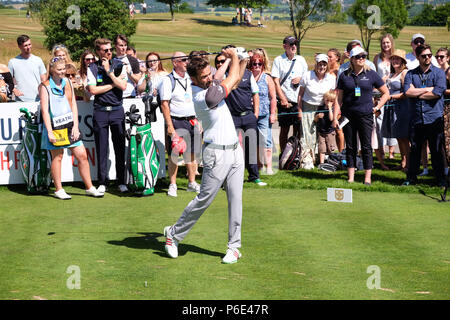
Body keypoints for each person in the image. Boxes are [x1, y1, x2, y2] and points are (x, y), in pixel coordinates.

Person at [163, 47, 246, 264]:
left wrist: (238, 58)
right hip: (216, 154)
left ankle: (234, 247)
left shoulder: (208, 83)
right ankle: (173, 234)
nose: (210, 78)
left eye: (210, 73)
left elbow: (229, 77)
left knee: (236, 200)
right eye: (204, 77)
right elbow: (233, 78)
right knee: (204, 200)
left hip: (235, 151)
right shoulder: (203, 97)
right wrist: (234, 56)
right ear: (193, 79)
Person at [39, 57, 103, 199]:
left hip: (69, 125)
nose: (62, 72)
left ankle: (89, 187)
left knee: (82, 155)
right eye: (59, 70)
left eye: (64, 70)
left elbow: (73, 104)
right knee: (58, 157)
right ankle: (59, 189)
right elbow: (44, 110)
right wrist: (49, 131)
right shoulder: (44, 86)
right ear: (52, 70)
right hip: (54, 127)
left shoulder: (67, 82)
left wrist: (75, 126)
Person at [332, 47, 390, 186]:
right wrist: (335, 117)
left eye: (363, 56)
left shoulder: (371, 74)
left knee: (366, 146)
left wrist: (376, 107)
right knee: (350, 146)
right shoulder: (344, 75)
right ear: (351, 59)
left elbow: (386, 93)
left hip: (365, 115)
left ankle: (367, 178)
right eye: (358, 56)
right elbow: (338, 99)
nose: (361, 59)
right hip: (348, 115)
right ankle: (351, 177)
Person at [218, 48, 266, 186]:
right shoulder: (226, 74)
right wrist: (227, 60)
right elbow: (218, 77)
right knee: (230, 148)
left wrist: (255, 113)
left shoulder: (248, 74)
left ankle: (254, 176)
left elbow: (255, 93)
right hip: (232, 117)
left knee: (251, 146)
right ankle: (228, 177)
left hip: (248, 116)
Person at [86, 38, 128, 194]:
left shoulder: (119, 64)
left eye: (110, 50)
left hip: (117, 110)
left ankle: (121, 181)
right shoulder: (92, 67)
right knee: (102, 148)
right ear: (98, 52)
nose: (109, 52)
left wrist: (109, 72)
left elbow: (123, 86)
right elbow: (93, 90)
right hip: (100, 111)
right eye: (105, 50)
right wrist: (112, 85)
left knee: (119, 148)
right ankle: (102, 181)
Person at [403, 44, 447, 187]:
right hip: (416, 118)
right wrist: (427, 89)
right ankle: (411, 178)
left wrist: (417, 92)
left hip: (434, 117)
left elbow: (437, 93)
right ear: (417, 57)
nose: (427, 58)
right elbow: (407, 92)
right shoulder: (411, 74)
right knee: (415, 149)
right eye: (424, 56)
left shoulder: (439, 73)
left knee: (436, 150)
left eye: (429, 55)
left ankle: (440, 178)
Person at [160, 52, 201, 197]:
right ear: (175, 62)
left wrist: (199, 120)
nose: (186, 62)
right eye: (183, 60)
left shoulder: (191, 78)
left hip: (192, 120)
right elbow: (164, 104)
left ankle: (191, 182)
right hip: (176, 120)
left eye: (187, 60)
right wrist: (170, 126)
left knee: (191, 153)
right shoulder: (168, 80)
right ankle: (173, 184)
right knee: (175, 154)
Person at [298, 53, 336, 169]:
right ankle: (307, 159)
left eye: (324, 64)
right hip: (308, 107)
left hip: (324, 108)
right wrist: (299, 110)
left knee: (323, 134)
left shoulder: (331, 78)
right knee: (308, 133)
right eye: (320, 64)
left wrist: (332, 110)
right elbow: (300, 94)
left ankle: (322, 159)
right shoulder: (307, 75)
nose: (322, 67)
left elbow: (333, 96)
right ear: (316, 64)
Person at [271, 36, 308, 154]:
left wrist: (300, 78)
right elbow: (275, 81)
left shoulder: (301, 60)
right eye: (291, 44)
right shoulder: (278, 60)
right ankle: (283, 155)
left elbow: (307, 78)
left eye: (295, 44)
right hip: (284, 101)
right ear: (284, 46)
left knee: (297, 129)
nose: (294, 47)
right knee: (284, 129)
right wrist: (282, 99)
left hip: (298, 101)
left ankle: (295, 153)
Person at [382, 49, 410, 172]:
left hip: (401, 108)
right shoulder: (391, 74)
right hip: (391, 108)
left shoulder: (404, 73)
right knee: (398, 137)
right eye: (393, 59)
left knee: (404, 137)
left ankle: (409, 163)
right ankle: (403, 162)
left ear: (403, 61)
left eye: (397, 59)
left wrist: (391, 97)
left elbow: (406, 93)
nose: (395, 61)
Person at [249, 53, 277, 175]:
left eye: (259, 63)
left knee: (266, 140)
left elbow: (273, 97)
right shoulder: (247, 77)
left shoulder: (267, 78)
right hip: (250, 113)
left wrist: (273, 113)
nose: (257, 66)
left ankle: (269, 166)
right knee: (253, 141)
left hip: (264, 114)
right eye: (254, 63)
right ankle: (259, 166)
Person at [372, 34, 397, 167]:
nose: (386, 45)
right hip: (380, 91)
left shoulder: (396, 56)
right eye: (383, 43)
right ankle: (381, 150)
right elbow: (374, 74)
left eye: (388, 43)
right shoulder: (377, 58)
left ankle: (391, 151)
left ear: (391, 43)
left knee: (392, 121)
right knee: (380, 122)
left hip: (393, 91)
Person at [8, 34, 47, 102]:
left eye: (29, 44)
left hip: (38, 100)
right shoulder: (13, 62)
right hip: (20, 100)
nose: (28, 47)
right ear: (19, 47)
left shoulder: (38, 60)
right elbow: (7, 81)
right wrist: (14, 90)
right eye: (25, 45)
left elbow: (44, 79)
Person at [113, 34, 142, 99]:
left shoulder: (133, 60)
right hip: (114, 96)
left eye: (125, 45)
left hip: (129, 95)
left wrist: (130, 73)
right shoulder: (111, 60)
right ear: (115, 46)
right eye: (121, 45)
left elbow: (139, 81)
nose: (124, 48)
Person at [314, 90, 337, 164]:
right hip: (321, 131)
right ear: (324, 99)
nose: (328, 102)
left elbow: (331, 119)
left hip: (330, 131)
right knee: (321, 148)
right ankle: (321, 163)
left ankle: (332, 162)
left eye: (331, 101)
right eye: (327, 100)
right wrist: (317, 116)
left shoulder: (333, 109)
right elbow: (315, 120)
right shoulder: (320, 107)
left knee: (331, 147)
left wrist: (330, 108)